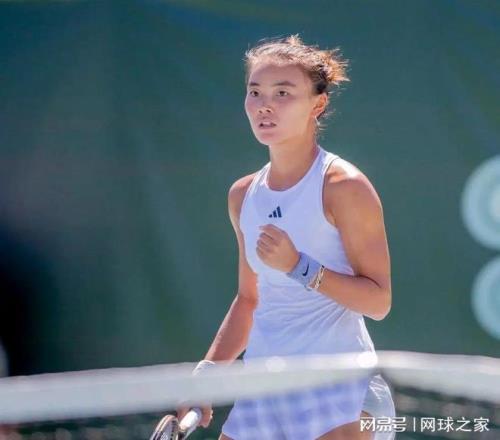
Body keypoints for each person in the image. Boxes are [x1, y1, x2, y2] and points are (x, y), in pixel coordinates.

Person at [178, 34, 395, 440]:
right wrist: (206, 375)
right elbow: (250, 299)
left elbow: (379, 301)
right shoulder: (243, 195)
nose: (265, 105)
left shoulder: (344, 186)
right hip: (263, 396)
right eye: (255, 92)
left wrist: (300, 267)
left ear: (317, 104)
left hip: (340, 390)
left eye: (283, 93)